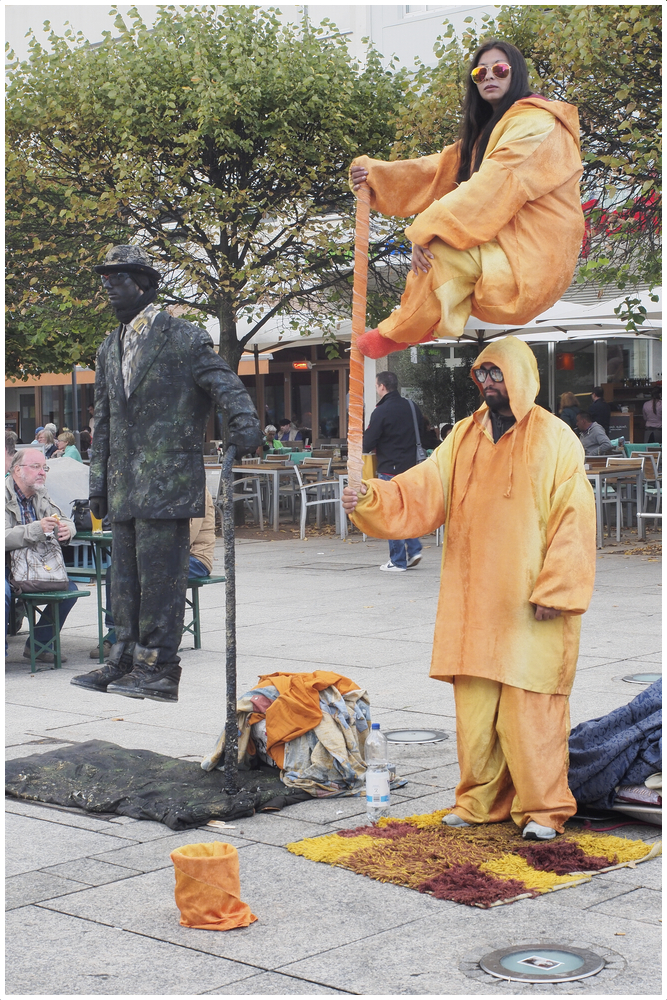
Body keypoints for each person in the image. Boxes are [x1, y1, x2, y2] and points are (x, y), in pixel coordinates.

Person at [343, 337, 596, 840]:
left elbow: (576, 517)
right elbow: (423, 488)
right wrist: (371, 495)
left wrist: (557, 589)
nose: (488, 383)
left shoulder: (556, 437)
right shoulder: (463, 436)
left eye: (497, 374)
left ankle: (542, 809)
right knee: (477, 712)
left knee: (531, 709)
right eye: (482, 375)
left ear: (521, 376)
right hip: (475, 599)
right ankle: (480, 800)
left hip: (532, 603)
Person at [70, 245, 261, 702]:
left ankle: (158, 667)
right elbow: (106, 421)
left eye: (120, 277)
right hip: (124, 487)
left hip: (169, 483)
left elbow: (224, 383)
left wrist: (244, 424)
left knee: (160, 580)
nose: (109, 286)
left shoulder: (182, 336)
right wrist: (98, 482)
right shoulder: (107, 348)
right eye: (106, 279)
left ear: (147, 284)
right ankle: (123, 657)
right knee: (124, 578)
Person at [349, 41, 585, 359]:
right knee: (439, 253)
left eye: (500, 69)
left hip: (533, 261)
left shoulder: (538, 124)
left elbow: (494, 185)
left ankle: (405, 329)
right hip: (503, 251)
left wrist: (426, 229)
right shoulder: (488, 134)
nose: (489, 76)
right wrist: (375, 177)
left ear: (516, 74)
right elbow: (436, 170)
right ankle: (421, 324)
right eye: (479, 72)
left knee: (440, 250)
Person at [87, 488, 217, 662]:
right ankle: (115, 633)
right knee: (117, 571)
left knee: (146, 575)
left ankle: (146, 640)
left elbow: (185, 535)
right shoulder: (159, 487)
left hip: (194, 558)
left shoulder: (195, 489)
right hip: (160, 556)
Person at [5, 449, 79, 664]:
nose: (42, 473)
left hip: (36, 566)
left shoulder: (41, 494)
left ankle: (39, 644)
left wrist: (67, 530)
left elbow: (65, 519)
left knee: (70, 590)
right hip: (7, 565)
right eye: (35, 467)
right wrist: (35, 530)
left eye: (44, 468)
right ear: (17, 470)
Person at [362, 371, 426, 573]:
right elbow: (424, 432)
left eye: (376, 385)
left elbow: (368, 441)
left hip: (390, 468)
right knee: (407, 509)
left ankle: (398, 560)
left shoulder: (381, 410)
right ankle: (414, 548)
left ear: (382, 387)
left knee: (391, 513)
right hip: (413, 467)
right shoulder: (411, 406)